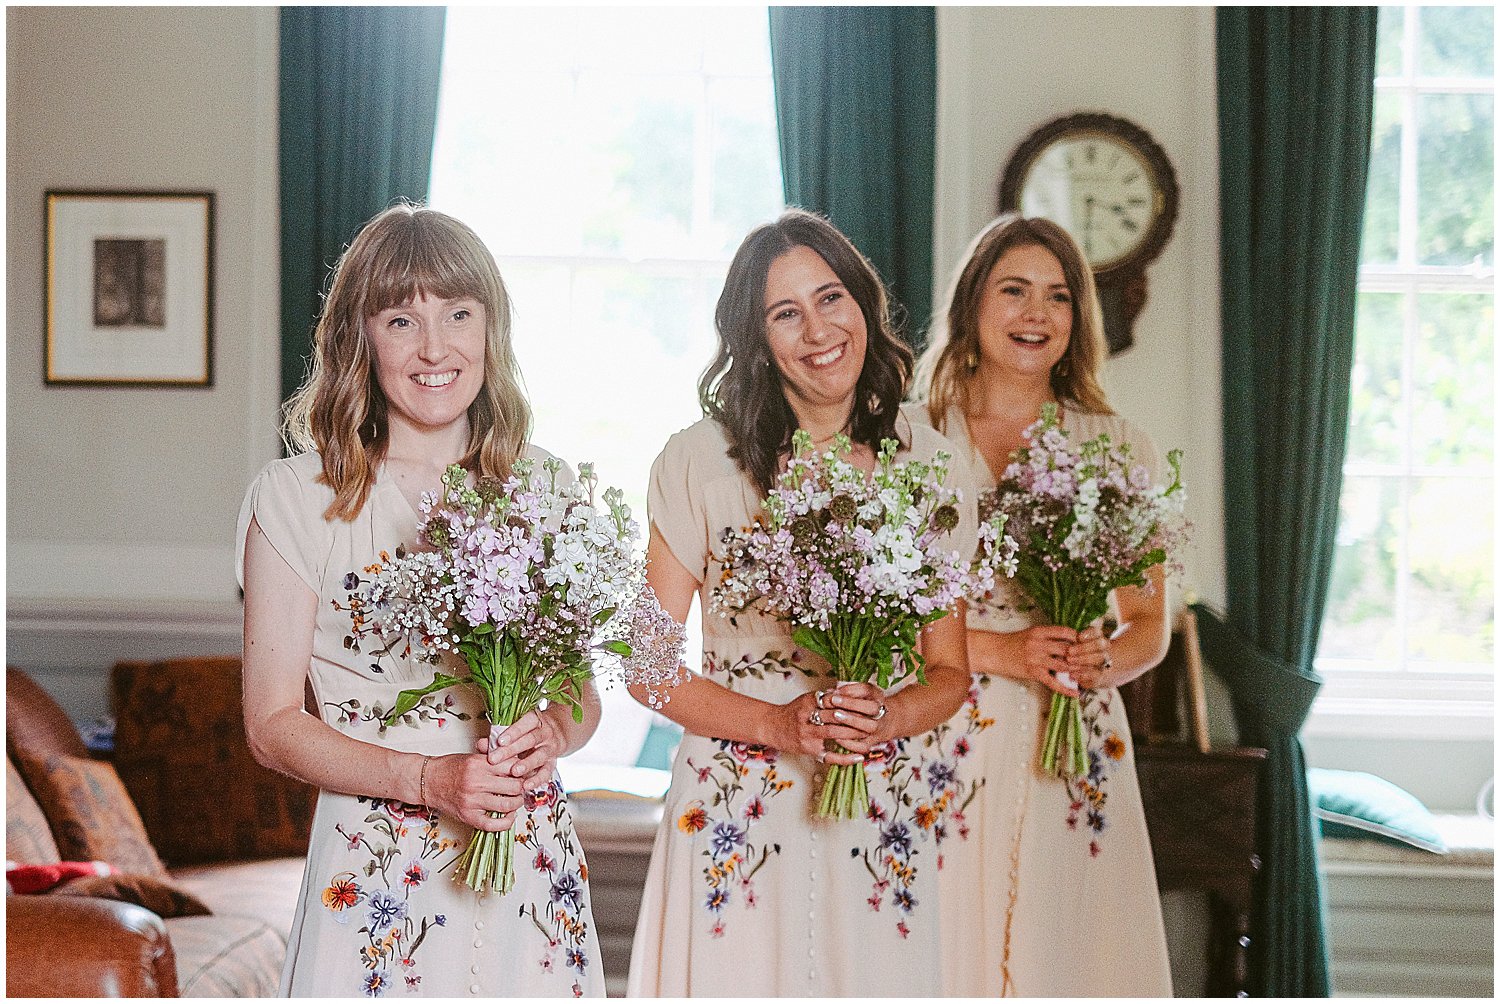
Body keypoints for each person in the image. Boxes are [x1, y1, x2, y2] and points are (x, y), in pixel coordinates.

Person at [237, 205, 605, 997]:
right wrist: (429, 781)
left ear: (490, 330)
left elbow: (580, 698)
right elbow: (271, 727)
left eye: (458, 315)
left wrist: (551, 732)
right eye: (402, 319)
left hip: (526, 857)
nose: (436, 348)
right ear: (359, 339)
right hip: (375, 865)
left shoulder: (545, 485)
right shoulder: (297, 496)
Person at [625, 209, 979, 997]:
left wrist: (888, 717)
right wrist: (778, 725)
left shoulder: (930, 463)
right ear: (755, 340)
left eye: (831, 299)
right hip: (735, 803)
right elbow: (646, 666)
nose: (818, 329)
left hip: (877, 798)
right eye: (786, 313)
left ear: (863, 305)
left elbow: (949, 672)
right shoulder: (697, 461)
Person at [909, 213, 1173, 996]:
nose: (1036, 314)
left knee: (1073, 952)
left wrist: (1102, 659)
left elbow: (1148, 623)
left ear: (1076, 319)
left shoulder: (1116, 446)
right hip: (943, 727)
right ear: (971, 306)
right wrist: (1002, 652)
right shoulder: (910, 437)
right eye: (1014, 290)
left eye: (1058, 297)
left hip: (1073, 736)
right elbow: (882, 620)